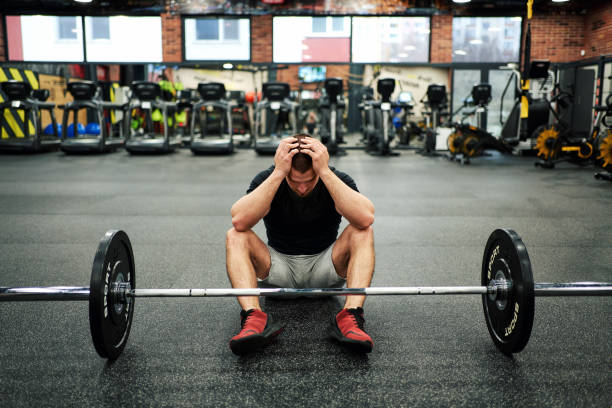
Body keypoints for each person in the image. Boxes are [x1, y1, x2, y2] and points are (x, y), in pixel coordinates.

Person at [226, 134, 375, 355]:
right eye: (295, 181)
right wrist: (279, 173)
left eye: (309, 181)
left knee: (362, 232)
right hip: (278, 272)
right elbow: (239, 220)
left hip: (325, 271)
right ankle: (254, 318)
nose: (303, 188)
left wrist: (324, 172)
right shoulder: (270, 178)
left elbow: (365, 218)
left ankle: (351, 316)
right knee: (236, 235)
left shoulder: (334, 177)